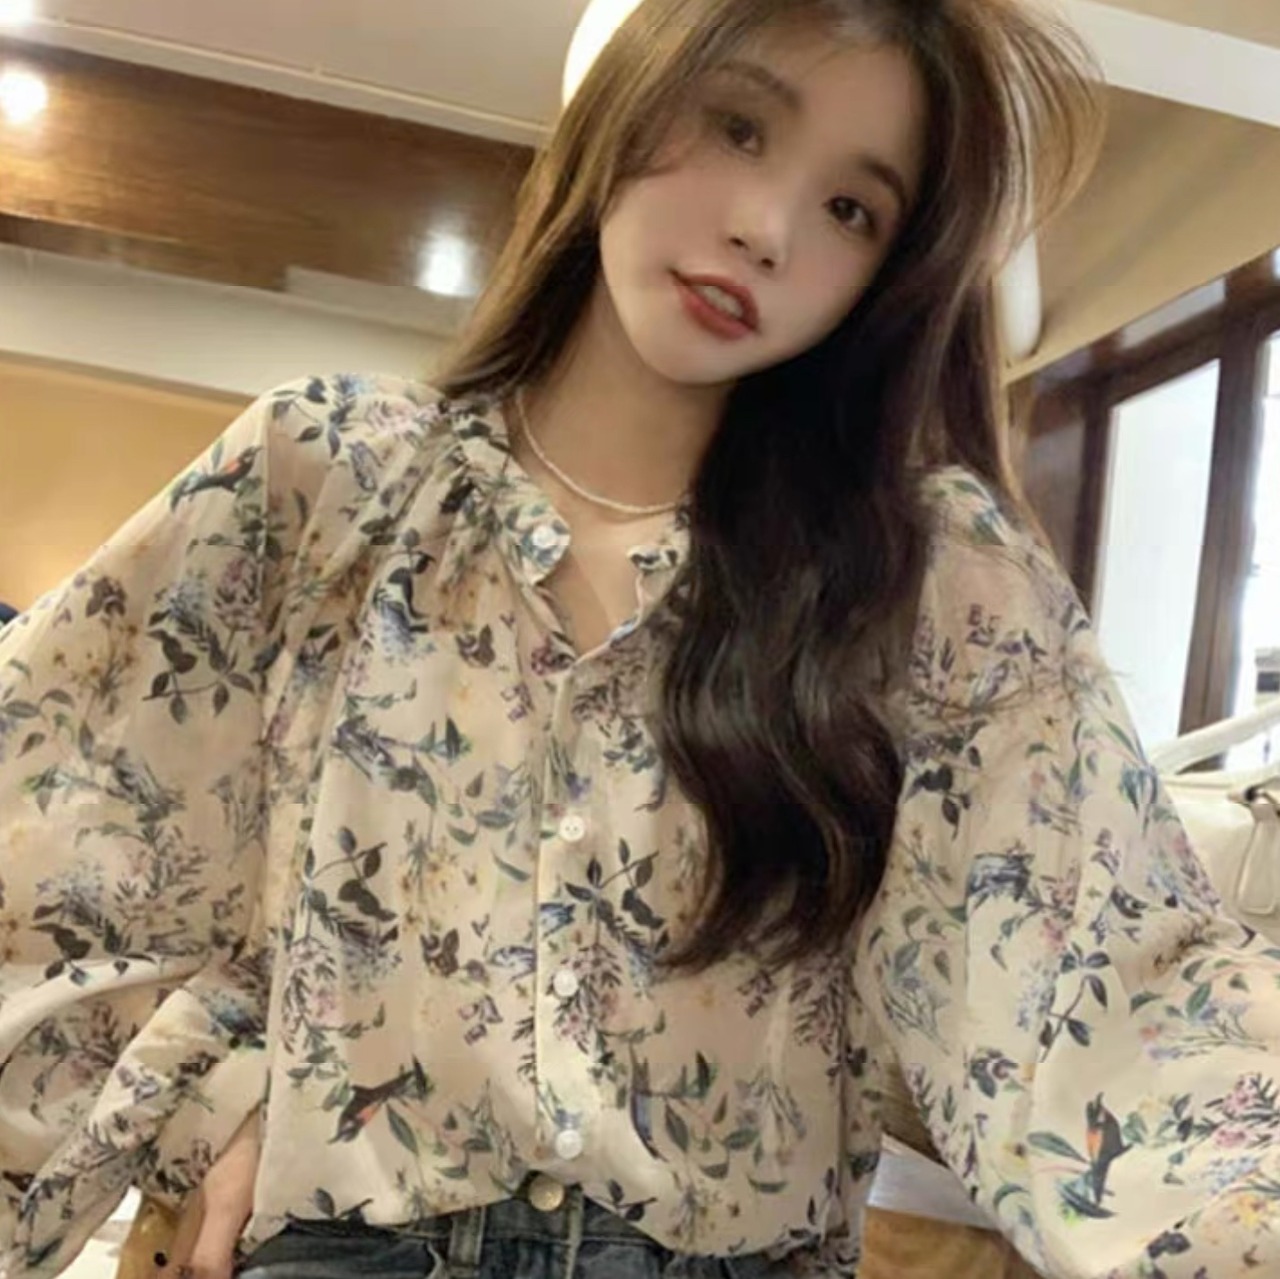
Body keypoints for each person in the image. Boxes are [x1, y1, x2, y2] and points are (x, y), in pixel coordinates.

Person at [2, 0, 1277, 1277]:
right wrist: (215, 1092)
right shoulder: (327, 474)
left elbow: (1111, 985)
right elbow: (60, 848)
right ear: (631, 102)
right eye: (737, 127)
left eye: (850, 209)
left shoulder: (926, 578)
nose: (765, 227)